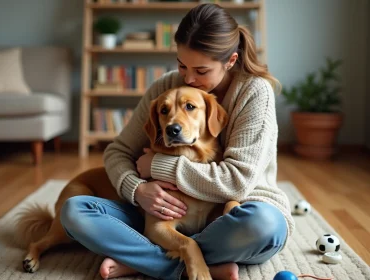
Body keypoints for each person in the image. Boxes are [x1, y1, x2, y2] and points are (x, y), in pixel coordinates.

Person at [60, 3, 294, 280]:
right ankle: (185, 262)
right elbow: (118, 151)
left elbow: (237, 182)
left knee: (263, 227)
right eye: (182, 66)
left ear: (230, 60)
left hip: (231, 213)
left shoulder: (255, 92)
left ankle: (144, 260)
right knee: (75, 211)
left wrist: (157, 165)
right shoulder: (165, 87)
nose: (189, 79)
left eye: (202, 70)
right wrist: (137, 190)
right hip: (163, 215)